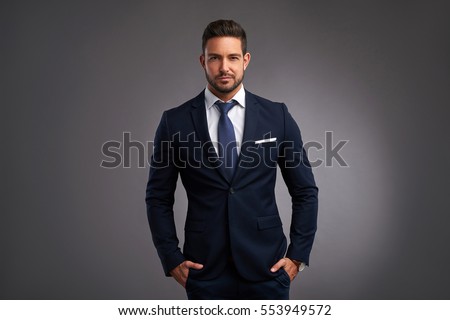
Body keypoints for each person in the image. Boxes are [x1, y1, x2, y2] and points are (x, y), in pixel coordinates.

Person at [145, 19, 318, 300]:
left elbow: (305, 191)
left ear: (246, 60)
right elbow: (158, 197)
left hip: (268, 270)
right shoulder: (174, 122)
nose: (224, 67)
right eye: (215, 58)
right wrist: (170, 257)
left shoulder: (277, 116)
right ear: (203, 61)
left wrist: (297, 256)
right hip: (204, 270)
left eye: (233, 57)